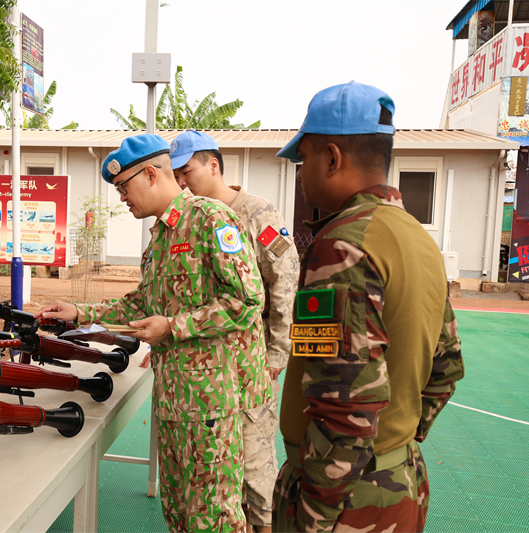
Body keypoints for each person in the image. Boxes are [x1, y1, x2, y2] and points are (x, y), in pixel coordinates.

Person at [35, 134, 271, 533]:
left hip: (211, 402)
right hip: (174, 399)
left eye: (124, 187)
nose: (122, 198)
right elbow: (141, 305)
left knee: (213, 514)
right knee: (178, 510)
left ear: (150, 174)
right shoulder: (159, 240)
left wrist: (173, 327)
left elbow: (248, 300)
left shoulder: (210, 219)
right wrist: (79, 313)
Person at [272, 81, 465, 533]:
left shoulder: (342, 245)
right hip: (399, 480)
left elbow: (346, 406)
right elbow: (446, 368)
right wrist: (396, 443)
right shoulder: (418, 238)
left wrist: (314, 516)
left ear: (332, 158)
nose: (300, 175)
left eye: (303, 160)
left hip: (345, 502)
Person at [167, 130, 299, 533]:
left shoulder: (257, 213)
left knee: (255, 468)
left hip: (249, 365)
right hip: (206, 372)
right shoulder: (188, 219)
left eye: (187, 172)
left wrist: (277, 353)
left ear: (213, 165)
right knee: (218, 470)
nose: (182, 182)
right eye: (176, 175)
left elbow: (284, 282)